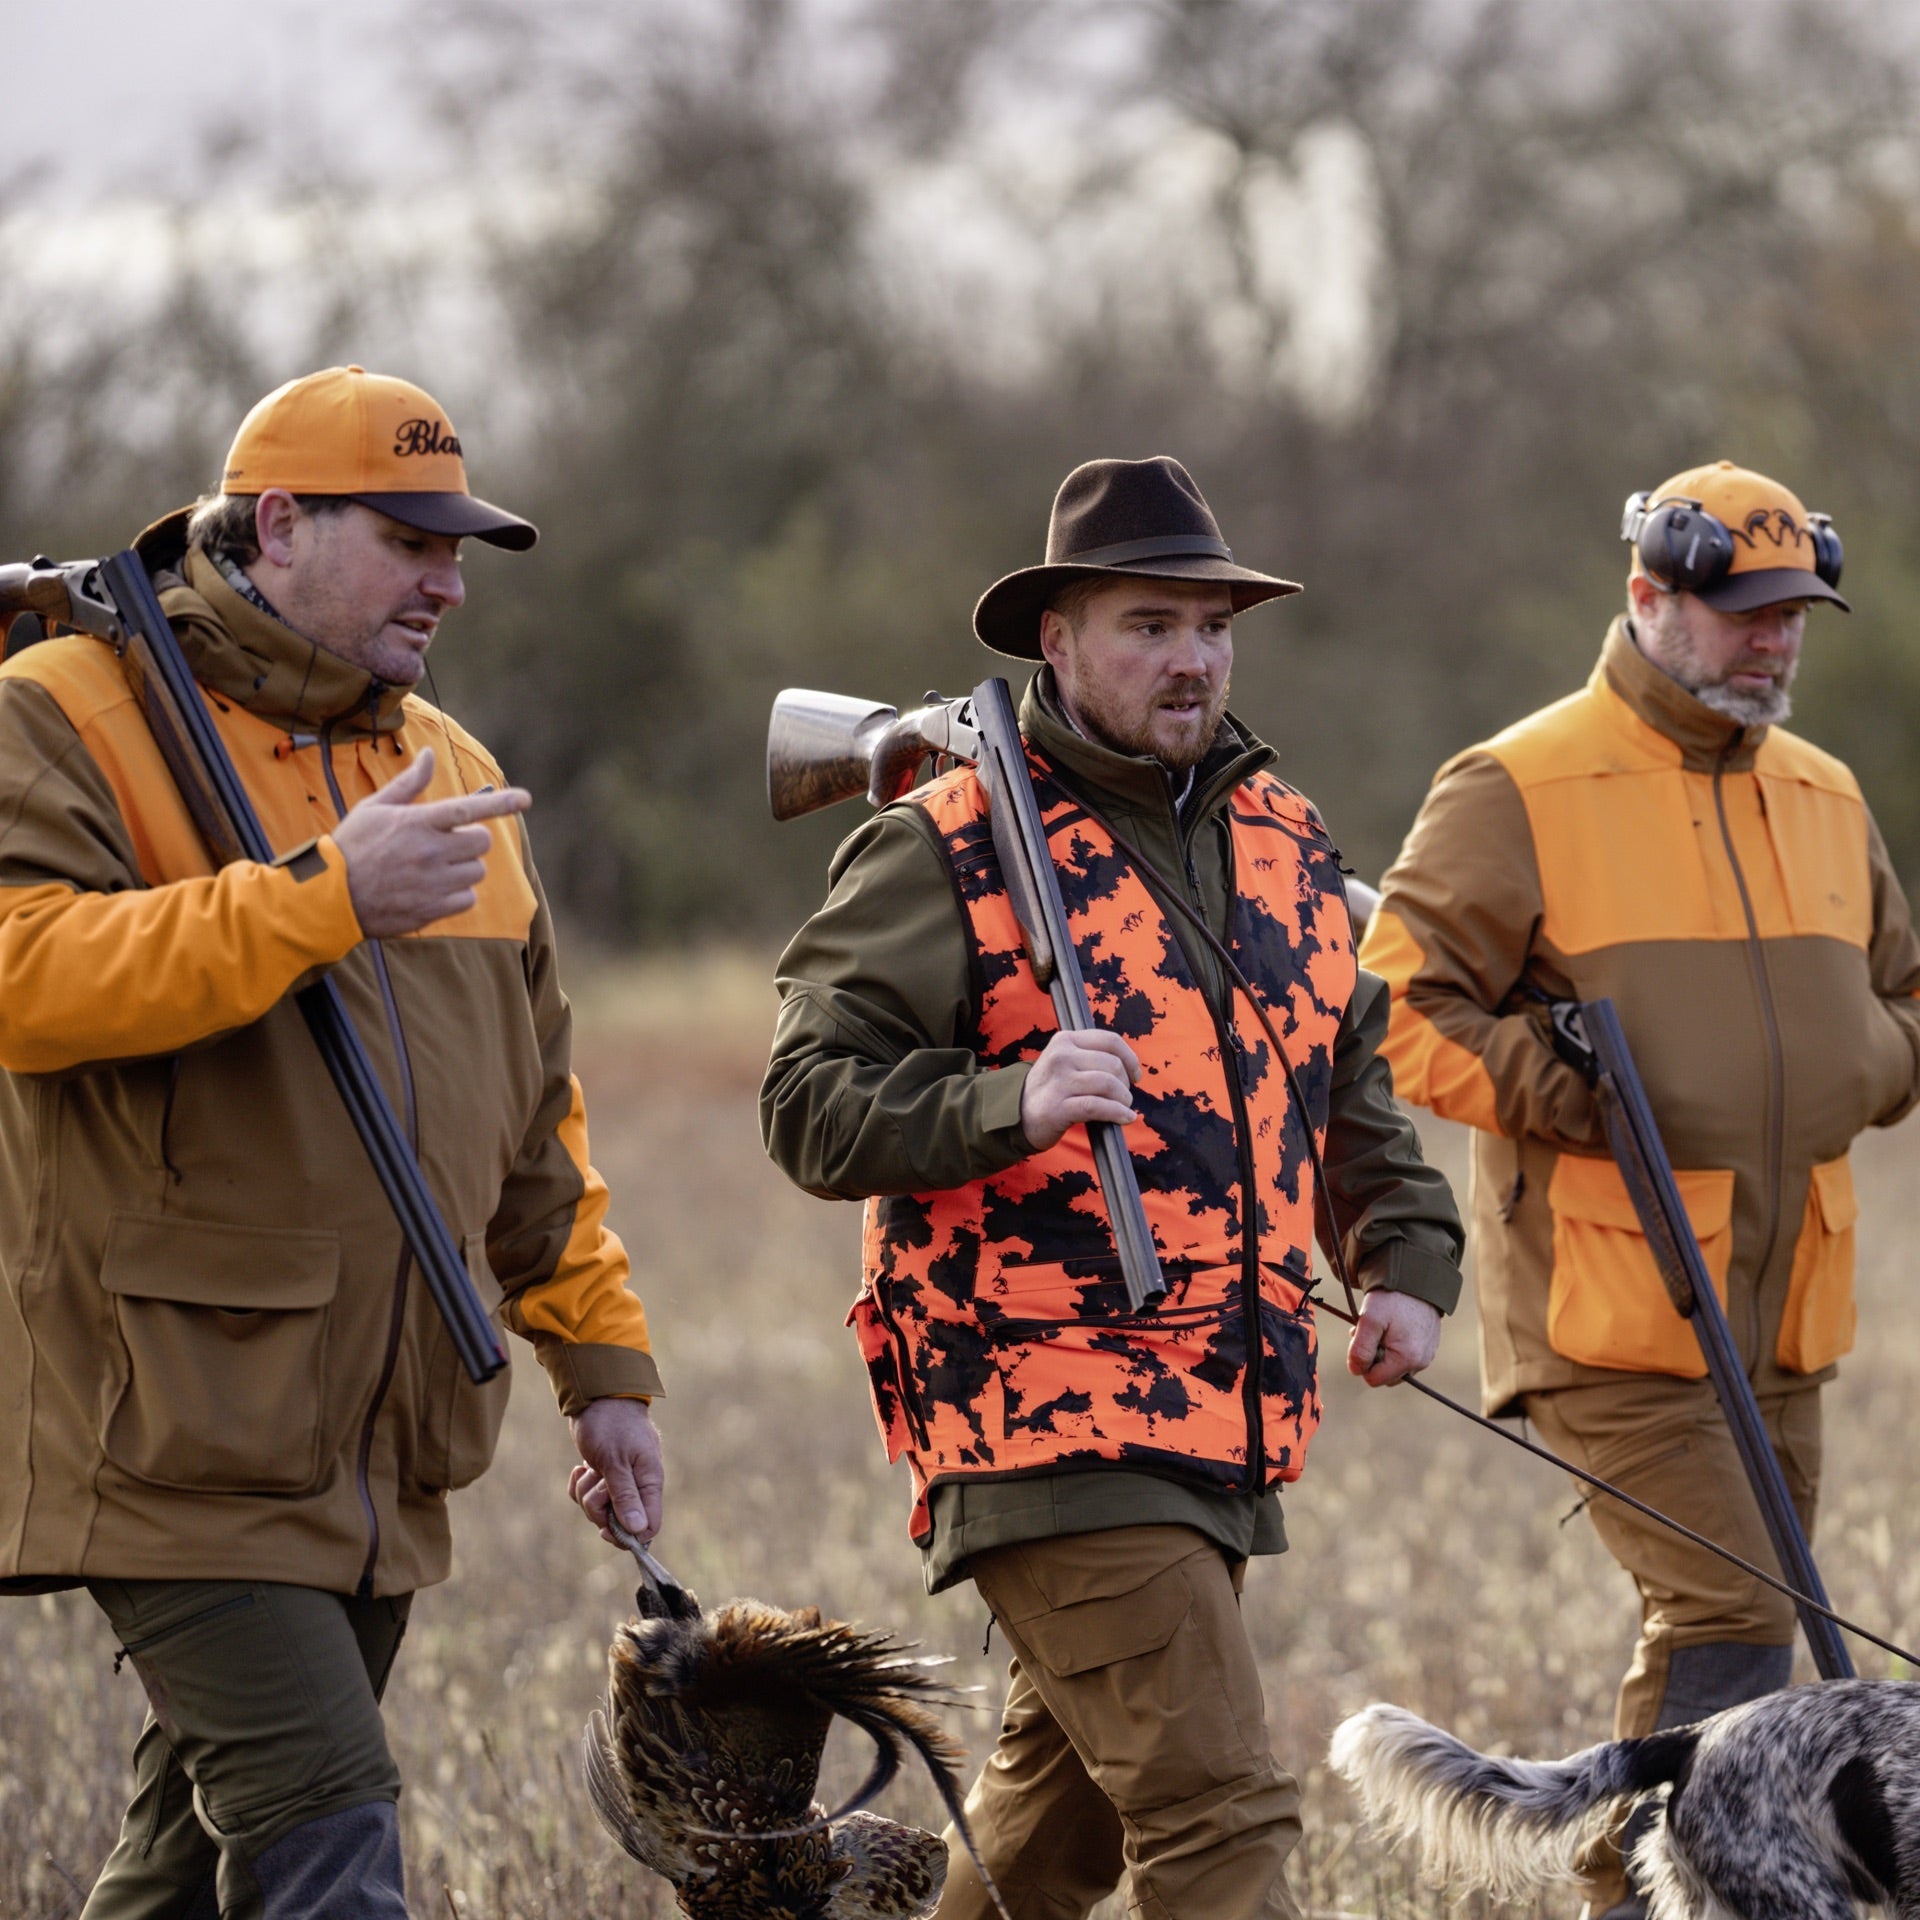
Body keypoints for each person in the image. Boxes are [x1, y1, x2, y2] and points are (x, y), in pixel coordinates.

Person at [0, 366, 667, 1920]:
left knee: (182, 1873)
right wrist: (320, 901)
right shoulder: (67, 710)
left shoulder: (449, 764)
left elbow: (531, 1116)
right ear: (282, 524)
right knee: (328, 1837)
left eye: (457, 551)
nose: (448, 583)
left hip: (373, 1440)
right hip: (172, 1422)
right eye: (409, 542)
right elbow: (24, 982)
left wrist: (603, 1369)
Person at [761, 456, 1465, 1920]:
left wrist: (1401, 1255)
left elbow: (1343, 1078)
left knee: (1050, 1842)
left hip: (1224, 1406)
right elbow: (805, 1106)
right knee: (1220, 1815)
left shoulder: (1283, 841)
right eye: (1149, 625)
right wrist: (1005, 1102)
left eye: (1212, 627)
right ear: (1058, 639)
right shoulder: (944, 841)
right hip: (1041, 1404)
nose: (1192, 658)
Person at [1358, 459, 1920, 1918]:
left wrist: (1865, 1064)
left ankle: (1651, 1890)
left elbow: (1904, 1000)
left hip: (1788, 1307)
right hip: (1613, 1301)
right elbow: (1396, 1010)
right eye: (1745, 612)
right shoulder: (1516, 783)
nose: (1774, 640)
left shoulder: (1824, 790)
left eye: (1794, 614)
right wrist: (1575, 1095)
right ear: (1648, 599)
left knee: (1753, 1645)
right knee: (1732, 1616)